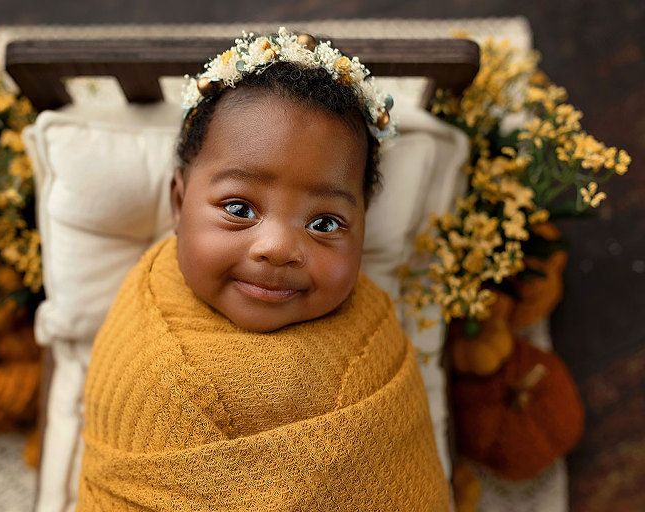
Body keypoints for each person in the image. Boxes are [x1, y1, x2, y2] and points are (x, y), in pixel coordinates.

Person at [77, 28, 449, 511]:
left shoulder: (374, 339)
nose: (277, 249)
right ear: (178, 202)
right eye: (238, 208)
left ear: (362, 231)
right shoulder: (148, 337)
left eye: (324, 222)